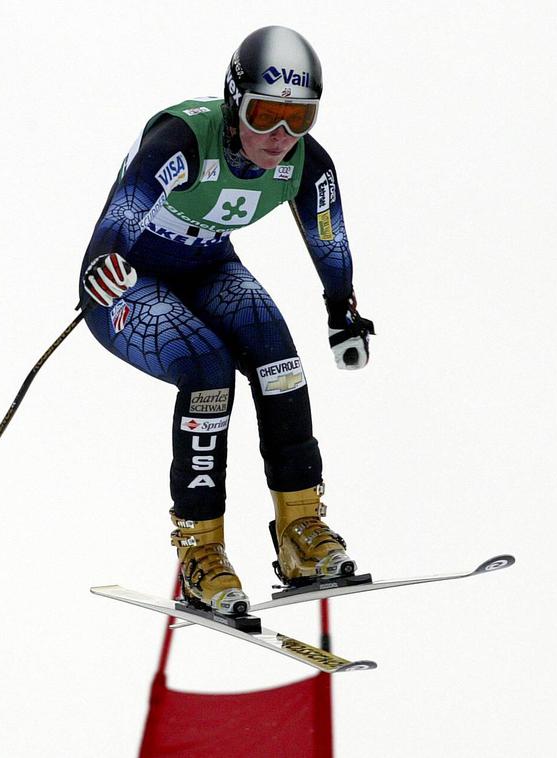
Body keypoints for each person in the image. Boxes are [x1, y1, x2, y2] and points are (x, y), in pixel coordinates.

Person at [79, 26, 374, 616]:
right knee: (208, 370)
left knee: (279, 361)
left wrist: (341, 310)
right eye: (264, 114)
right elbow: (125, 207)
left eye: (300, 119)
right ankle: (200, 553)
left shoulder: (307, 166)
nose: (279, 137)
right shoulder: (183, 141)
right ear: (234, 99)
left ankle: (300, 533)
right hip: (126, 279)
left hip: (209, 263)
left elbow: (329, 237)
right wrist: (108, 261)